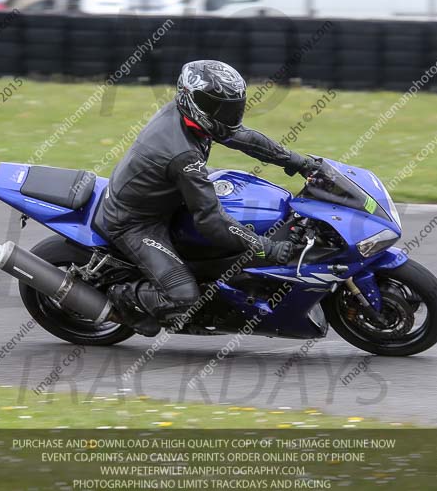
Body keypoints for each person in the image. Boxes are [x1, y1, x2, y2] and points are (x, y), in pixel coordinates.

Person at [101, 60, 317, 336]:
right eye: (219, 107)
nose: (228, 114)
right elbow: (212, 222)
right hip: (136, 222)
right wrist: (266, 248)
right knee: (184, 297)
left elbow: (244, 137)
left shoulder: (192, 119)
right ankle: (123, 297)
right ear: (194, 100)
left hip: (167, 197)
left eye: (232, 107)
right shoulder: (182, 154)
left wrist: (298, 162)